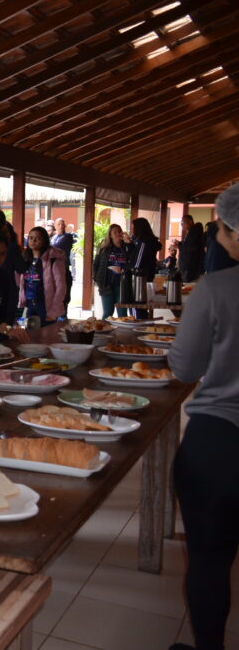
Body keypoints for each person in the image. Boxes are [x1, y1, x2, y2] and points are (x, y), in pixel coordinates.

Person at [168, 185, 239, 650]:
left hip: (221, 443)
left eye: (218, 227)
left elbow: (185, 366)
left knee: (211, 562)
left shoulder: (217, 288)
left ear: (234, 233)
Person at [17, 227, 67, 325]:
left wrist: (54, 311)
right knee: (30, 336)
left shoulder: (53, 259)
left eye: (37, 238)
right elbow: (20, 282)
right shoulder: (25, 259)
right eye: (30, 238)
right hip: (29, 305)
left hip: (46, 306)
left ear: (44, 240)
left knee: (46, 337)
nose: (33, 241)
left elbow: (61, 287)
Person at [93, 224, 131, 319]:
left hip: (123, 285)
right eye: (115, 232)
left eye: (119, 231)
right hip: (107, 284)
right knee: (107, 313)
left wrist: (129, 244)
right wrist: (98, 279)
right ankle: (103, 333)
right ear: (110, 235)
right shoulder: (104, 248)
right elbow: (95, 265)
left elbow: (133, 262)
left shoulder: (127, 247)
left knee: (122, 314)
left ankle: (122, 333)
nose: (118, 234)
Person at [127, 217, 162, 319]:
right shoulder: (148, 240)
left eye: (133, 228)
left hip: (140, 278)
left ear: (139, 228)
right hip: (147, 277)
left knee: (136, 305)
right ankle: (144, 323)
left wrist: (125, 268)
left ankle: (138, 325)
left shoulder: (144, 241)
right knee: (142, 306)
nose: (132, 230)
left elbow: (137, 264)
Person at [51, 218, 76, 310]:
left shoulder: (67, 236)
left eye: (62, 224)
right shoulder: (53, 238)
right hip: (53, 269)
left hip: (64, 268)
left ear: (65, 226)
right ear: (55, 226)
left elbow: (57, 247)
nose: (61, 226)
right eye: (58, 224)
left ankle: (63, 316)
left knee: (64, 295)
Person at [178, 215, 204, 282]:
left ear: (190, 221)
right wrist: (180, 244)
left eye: (183, 222)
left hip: (190, 268)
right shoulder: (189, 234)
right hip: (186, 267)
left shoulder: (194, 234)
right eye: (181, 223)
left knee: (188, 286)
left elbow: (192, 248)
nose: (181, 225)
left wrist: (179, 246)